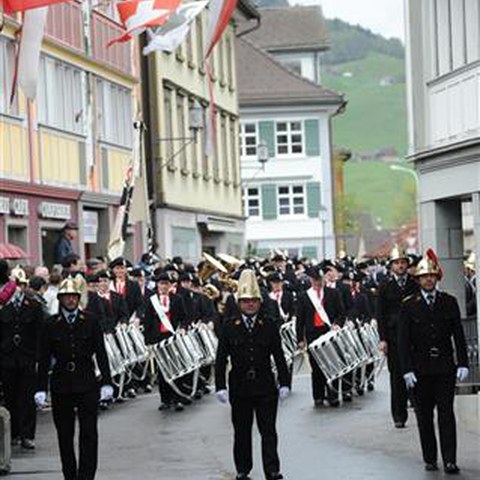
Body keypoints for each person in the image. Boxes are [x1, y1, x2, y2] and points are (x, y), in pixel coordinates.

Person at [35, 276, 113, 480]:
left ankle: (86, 476)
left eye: (74, 296)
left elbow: (101, 353)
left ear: (79, 298)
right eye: (66, 297)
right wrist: (40, 388)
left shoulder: (90, 320)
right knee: (64, 435)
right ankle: (69, 475)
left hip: (86, 382)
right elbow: (43, 358)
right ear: (60, 299)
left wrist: (107, 382)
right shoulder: (50, 324)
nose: (70, 300)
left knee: (89, 433)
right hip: (61, 384)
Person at [215, 269, 290, 480]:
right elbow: (221, 359)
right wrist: (220, 386)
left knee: (268, 431)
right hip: (239, 386)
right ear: (239, 302)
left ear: (259, 302)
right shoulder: (230, 326)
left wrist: (284, 382)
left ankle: (272, 470)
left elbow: (279, 356)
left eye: (254, 300)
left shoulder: (269, 325)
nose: (250, 304)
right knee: (242, 432)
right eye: (246, 300)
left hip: (265, 385)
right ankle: (242, 469)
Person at [398, 253, 469, 474]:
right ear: (418, 280)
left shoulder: (449, 301)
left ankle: (450, 459)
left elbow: (458, 334)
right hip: (420, 368)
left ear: (437, 278)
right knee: (425, 415)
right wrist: (407, 369)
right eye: (424, 276)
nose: (428, 280)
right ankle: (430, 457)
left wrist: (463, 363)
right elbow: (403, 341)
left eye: (432, 276)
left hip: (445, 366)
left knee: (446, 413)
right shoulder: (409, 305)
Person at [0, 266, 44, 449]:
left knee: (27, 397)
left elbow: (40, 335)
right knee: (10, 397)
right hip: (7, 358)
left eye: (22, 285)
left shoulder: (33, 305)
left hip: (27, 357)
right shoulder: (3, 306)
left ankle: (28, 435)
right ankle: (14, 433)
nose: (19, 289)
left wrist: (39, 359)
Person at [377, 245, 419, 428]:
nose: (401, 266)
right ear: (391, 266)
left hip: (414, 335)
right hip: (394, 337)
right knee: (397, 377)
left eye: (403, 262)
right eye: (397, 263)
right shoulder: (385, 287)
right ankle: (399, 416)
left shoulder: (415, 284)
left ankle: (420, 409)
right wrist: (383, 339)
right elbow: (380, 315)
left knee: (417, 373)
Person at [296, 264, 345, 407]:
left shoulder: (333, 293)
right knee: (316, 365)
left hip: (329, 331)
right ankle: (318, 395)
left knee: (332, 363)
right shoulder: (304, 296)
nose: (318, 282)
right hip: (313, 334)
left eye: (320, 279)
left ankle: (333, 395)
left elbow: (341, 313)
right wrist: (300, 339)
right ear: (311, 279)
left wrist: (337, 324)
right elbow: (300, 320)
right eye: (315, 279)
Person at [143, 272, 187, 412]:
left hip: (172, 336)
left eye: (166, 283)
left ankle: (178, 398)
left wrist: (183, 329)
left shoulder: (177, 299)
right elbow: (148, 321)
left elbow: (185, 318)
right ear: (157, 285)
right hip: (158, 338)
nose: (163, 286)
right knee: (162, 370)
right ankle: (165, 400)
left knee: (176, 367)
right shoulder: (152, 300)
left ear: (170, 285)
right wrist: (148, 341)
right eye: (161, 283)